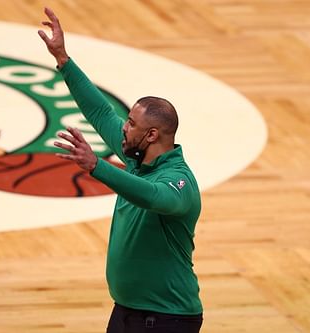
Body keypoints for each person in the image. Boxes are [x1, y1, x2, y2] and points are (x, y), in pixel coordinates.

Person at [38, 8, 203, 333]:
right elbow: (99, 109)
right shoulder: (135, 157)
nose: (123, 129)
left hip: (168, 318)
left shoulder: (179, 182)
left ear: (152, 135)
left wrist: (97, 166)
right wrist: (63, 59)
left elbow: (152, 197)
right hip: (128, 312)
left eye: (130, 124)